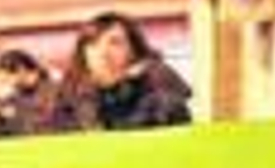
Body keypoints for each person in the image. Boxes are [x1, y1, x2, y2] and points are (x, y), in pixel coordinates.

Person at [52, 10, 193, 130]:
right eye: (92, 44)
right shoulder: (70, 95)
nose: (103, 53)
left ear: (133, 50)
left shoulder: (156, 86)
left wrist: (121, 88)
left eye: (115, 43)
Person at [0, 47, 58, 138]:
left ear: (21, 69)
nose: (5, 82)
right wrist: (0, 117)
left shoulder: (54, 91)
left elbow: (46, 125)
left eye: (6, 77)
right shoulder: (11, 99)